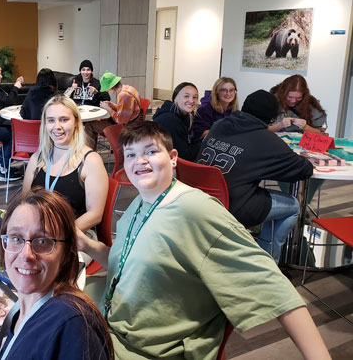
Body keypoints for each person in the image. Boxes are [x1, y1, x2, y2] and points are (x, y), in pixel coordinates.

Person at [78, 121, 330, 360]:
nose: (139, 161)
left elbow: (275, 288)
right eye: (131, 155)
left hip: (149, 349)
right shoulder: (142, 200)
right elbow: (123, 260)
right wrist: (85, 244)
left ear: (173, 158)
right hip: (114, 323)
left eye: (151, 151)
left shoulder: (195, 210)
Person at [196, 90, 313, 262]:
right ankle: (267, 262)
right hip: (232, 205)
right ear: (272, 118)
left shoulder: (219, 125)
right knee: (294, 206)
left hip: (199, 198)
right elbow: (304, 169)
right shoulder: (266, 140)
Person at [0, 188, 113, 360]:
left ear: (66, 252)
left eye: (43, 241)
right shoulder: (23, 310)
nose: (26, 254)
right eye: (16, 238)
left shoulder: (72, 326)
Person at [22, 94, 108, 233]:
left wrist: (58, 234)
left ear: (76, 122)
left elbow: (95, 215)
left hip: (75, 234)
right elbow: (25, 201)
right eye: (51, 120)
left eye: (64, 120)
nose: (57, 127)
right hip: (38, 231)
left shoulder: (90, 161)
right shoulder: (37, 158)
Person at [83, 71, 141, 150]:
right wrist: (113, 105)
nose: (107, 91)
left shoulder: (123, 95)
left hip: (127, 127)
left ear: (111, 86)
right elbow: (126, 110)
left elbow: (120, 120)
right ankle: (90, 152)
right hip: (133, 122)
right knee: (95, 122)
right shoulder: (129, 88)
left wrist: (108, 109)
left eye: (107, 89)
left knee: (89, 125)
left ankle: (89, 154)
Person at [152, 82, 201, 161]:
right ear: (175, 98)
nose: (191, 100)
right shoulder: (170, 120)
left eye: (195, 97)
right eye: (186, 96)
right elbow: (183, 157)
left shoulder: (185, 115)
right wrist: (204, 143)